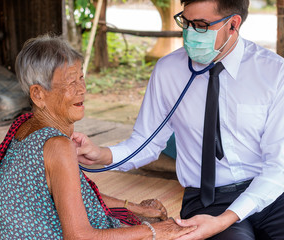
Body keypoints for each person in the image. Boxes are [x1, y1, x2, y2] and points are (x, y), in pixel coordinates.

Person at [72, 0, 284, 239]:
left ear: (233, 24)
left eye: (201, 25)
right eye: (186, 22)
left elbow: (278, 167)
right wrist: (99, 154)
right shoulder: (168, 71)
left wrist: (228, 218)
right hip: (207, 200)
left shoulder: (274, 73)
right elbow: (146, 143)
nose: (190, 33)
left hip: (270, 192)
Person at [0, 35, 195, 239]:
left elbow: (77, 197)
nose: (82, 89)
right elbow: (79, 236)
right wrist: (156, 231)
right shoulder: (56, 146)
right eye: (71, 82)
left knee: (143, 218)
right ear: (38, 94)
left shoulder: (24, 128)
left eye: (81, 77)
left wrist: (136, 208)